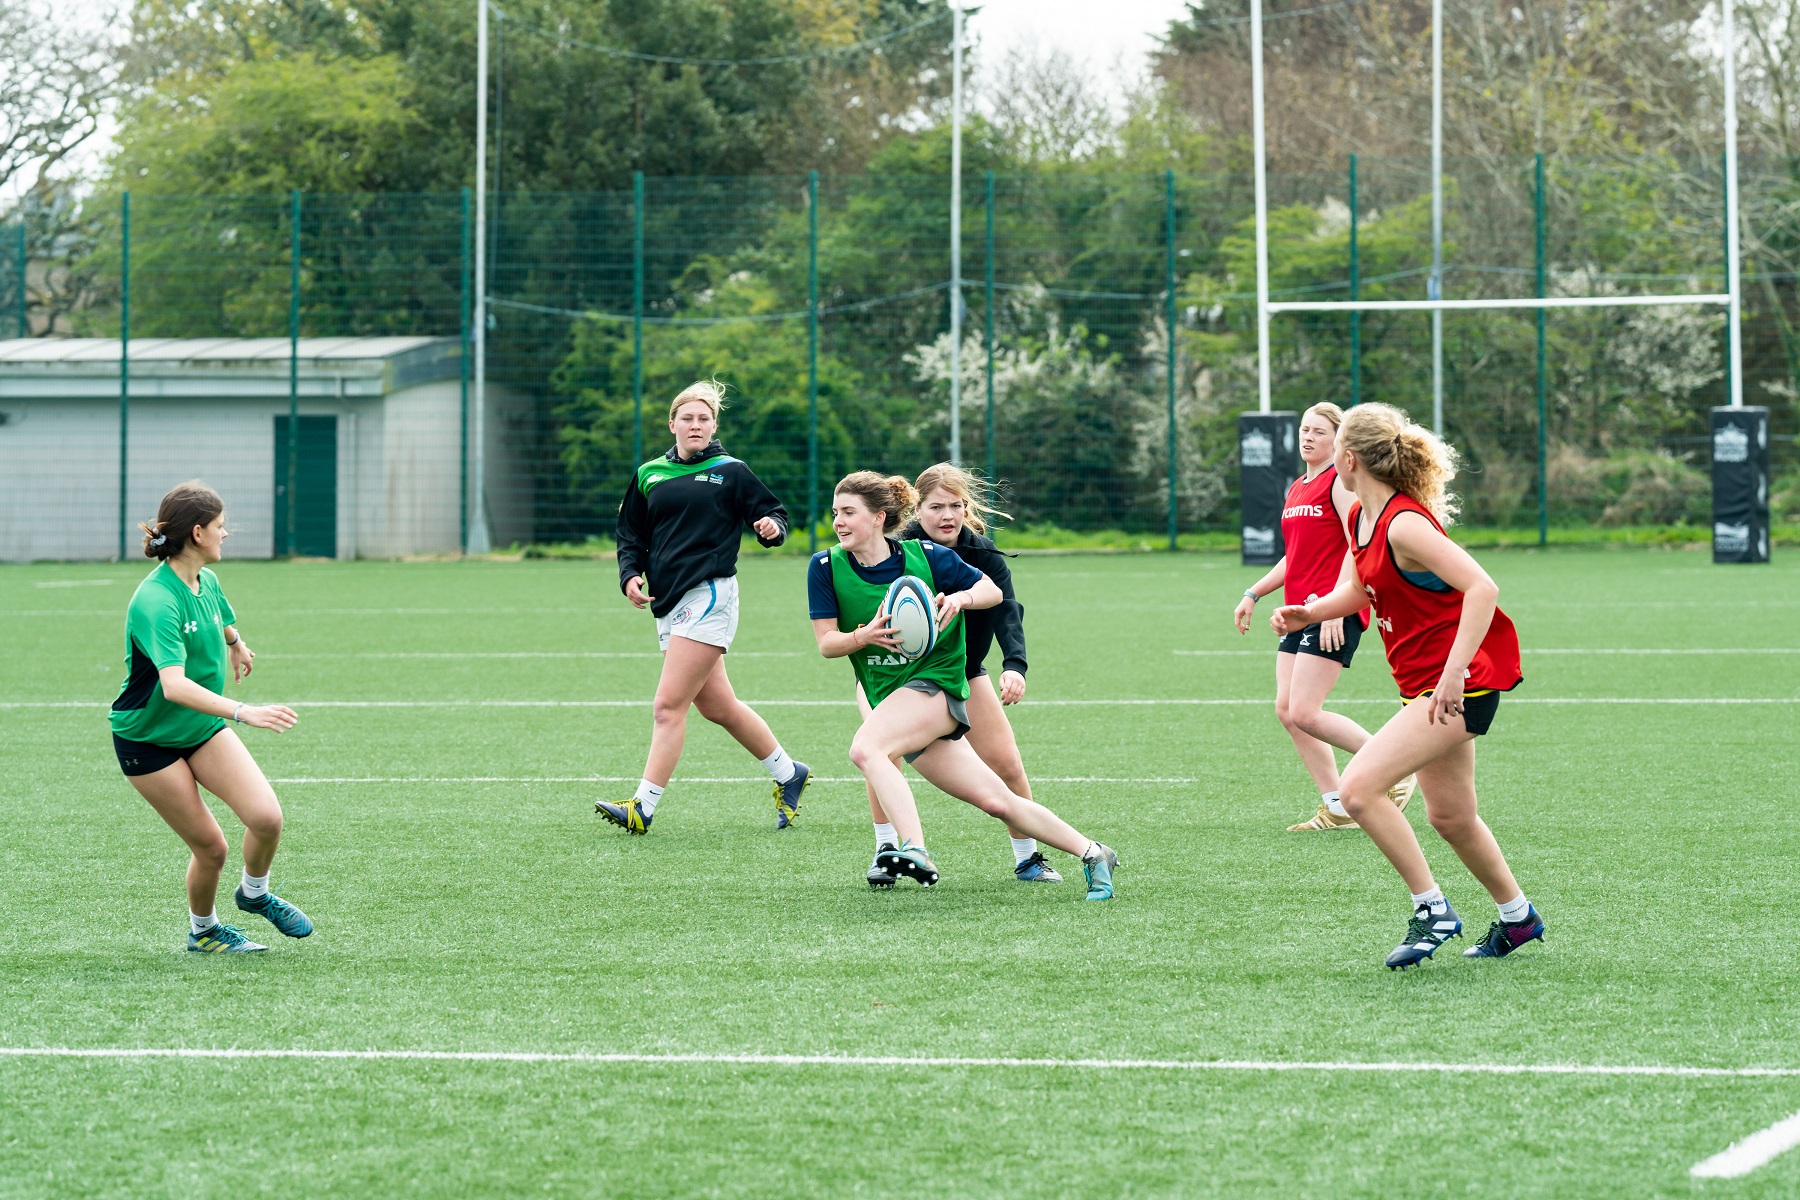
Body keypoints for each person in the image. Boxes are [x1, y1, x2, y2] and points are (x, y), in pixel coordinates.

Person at [1271, 404, 1542, 969]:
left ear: (1348, 459)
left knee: (1360, 788)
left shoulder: (1404, 522)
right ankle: (1518, 918)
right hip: (1425, 686)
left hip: (1458, 686)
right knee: (1451, 817)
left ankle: (1432, 909)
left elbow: (1482, 587)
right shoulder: (1360, 520)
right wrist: (1308, 612)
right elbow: (1359, 590)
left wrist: (1451, 672)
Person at [808, 471, 1119, 900]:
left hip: (936, 686)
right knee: (996, 800)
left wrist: (960, 597)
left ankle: (911, 848)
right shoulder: (825, 566)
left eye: (848, 513)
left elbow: (992, 591)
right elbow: (827, 644)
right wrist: (863, 636)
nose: (838, 521)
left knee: (867, 748)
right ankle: (1093, 852)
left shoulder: (928, 556)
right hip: (887, 691)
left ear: (879, 517)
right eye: (835, 513)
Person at [599, 380, 810, 834]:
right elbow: (630, 535)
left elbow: (775, 512)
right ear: (672, 423)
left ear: (714, 425)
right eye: (687, 418)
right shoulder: (648, 473)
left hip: (709, 594)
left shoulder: (730, 470)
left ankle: (643, 806)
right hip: (668, 600)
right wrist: (629, 575)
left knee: (667, 705)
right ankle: (788, 772)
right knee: (718, 706)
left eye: (704, 419)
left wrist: (771, 527)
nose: (696, 425)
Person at [112, 481, 311, 953]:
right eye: (221, 527)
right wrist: (245, 712)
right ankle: (203, 931)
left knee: (266, 818)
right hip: (148, 740)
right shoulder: (155, 600)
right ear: (198, 533)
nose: (227, 534)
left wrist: (235, 642)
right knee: (212, 848)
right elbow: (174, 686)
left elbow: (217, 615)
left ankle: (255, 895)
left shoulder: (206, 579)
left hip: (199, 729)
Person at [858, 463, 1059, 887]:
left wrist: (1015, 666)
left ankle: (1028, 858)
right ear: (917, 509)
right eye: (936, 507)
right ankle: (885, 850)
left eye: (955, 505)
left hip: (964, 672)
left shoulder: (982, 553)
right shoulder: (897, 551)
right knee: (882, 755)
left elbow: (1007, 610)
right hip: (895, 676)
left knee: (1007, 764)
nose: (947, 515)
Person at [1234, 402, 1416, 831]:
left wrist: (1340, 604)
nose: (1308, 437)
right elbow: (1293, 557)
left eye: (1319, 431)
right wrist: (1253, 593)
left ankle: (1395, 768)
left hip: (1330, 610)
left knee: (1306, 712)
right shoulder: (1298, 486)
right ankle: (1336, 804)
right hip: (1298, 612)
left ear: (1340, 441)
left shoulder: (1339, 483)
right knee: (1287, 710)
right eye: (1304, 429)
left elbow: (1357, 542)